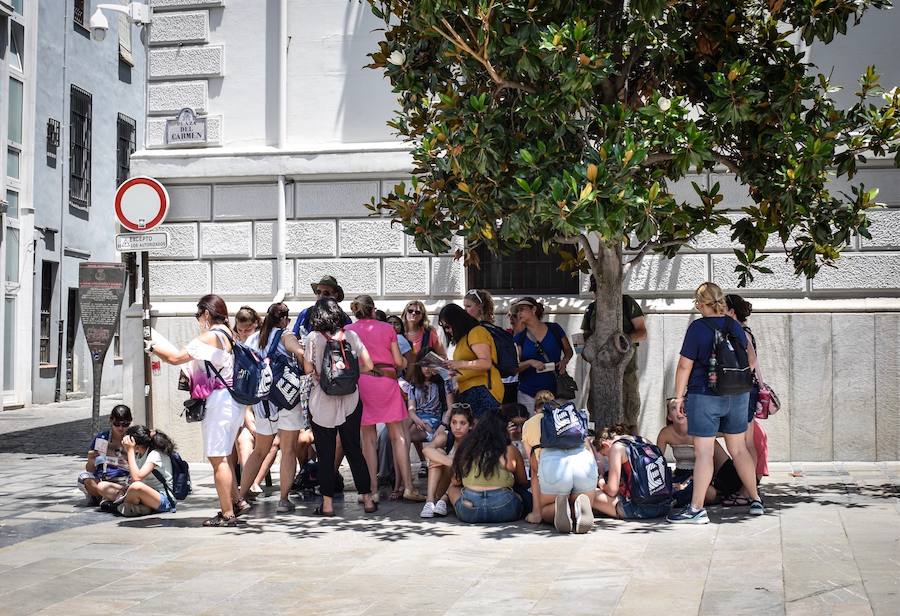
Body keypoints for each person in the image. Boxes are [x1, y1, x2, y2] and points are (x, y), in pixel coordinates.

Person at [147, 294, 249, 526]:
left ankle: (227, 514)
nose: (198, 319)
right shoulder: (229, 334)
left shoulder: (211, 336)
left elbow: (174, 358)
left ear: (205, 313)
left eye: (198, 315)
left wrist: (153, 347)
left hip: (220, 403)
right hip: (234, 403)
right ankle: (237, 502)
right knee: (224, 456)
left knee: (217, 459)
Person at [667, 282, 764, 523]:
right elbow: (751, 358)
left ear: (700, 304)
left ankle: (697, 509)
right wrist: (734, 380)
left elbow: (684, 365)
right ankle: (755, 500)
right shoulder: (734, 325)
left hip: (705, 396)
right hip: (738, 396)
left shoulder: (698, 328)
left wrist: (679, 397)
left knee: (704, 453)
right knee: (739, 449)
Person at [303, 298, 378, 516]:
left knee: (325, 455)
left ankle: (327, 505)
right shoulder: (352, 336)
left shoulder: (313, 338)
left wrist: (321, 375)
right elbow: (369, 365)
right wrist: (350, 375)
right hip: (351, 401)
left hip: (321, 403)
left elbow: (308, 369)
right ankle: (367, 499)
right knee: (354, 449)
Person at [348, 295, 425, 502]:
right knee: (398, 436)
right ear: (373, 309)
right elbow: (400, 362)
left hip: (362, 383)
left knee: (368, 440)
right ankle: (408, 487)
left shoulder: (349, 331)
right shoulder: (387, 329)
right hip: (387, 383)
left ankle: (371, 491)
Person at [243, 302, 308, 513]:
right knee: (288, 450)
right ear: (285, 320)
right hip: (287, 399)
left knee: (259, 451)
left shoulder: (252, 338)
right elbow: (299, 352)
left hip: (262, 403)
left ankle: (241, 495)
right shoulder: (285, 334)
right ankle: (283, 500)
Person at [522, 391, 596, 533]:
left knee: (546, 511)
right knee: (580, 499)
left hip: (554, 467)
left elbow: (533, 463)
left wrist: (536, 512)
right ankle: (578, 508)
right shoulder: (570, 418)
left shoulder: (529, 424)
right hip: (583, 462)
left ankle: (559, 509)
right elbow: (589, 449)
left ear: (535, 407)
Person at [581, 279, 647, 433]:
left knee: (628, 417)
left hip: (625, 371)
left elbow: (642, 332)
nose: (598, 294)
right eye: (596, 290)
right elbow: (585, 338)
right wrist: (585, 350)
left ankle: (633, 451)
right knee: (601, 418)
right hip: (600, 373)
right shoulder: (591, 309)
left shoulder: (626, 303)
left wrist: (623, 341)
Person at [656, 399, 744, 507]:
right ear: (669, 416)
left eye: (683, 407)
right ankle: (680, 498)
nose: (680, 411)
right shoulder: (665, 433)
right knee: (671, 489)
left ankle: (682, 499)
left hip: (703, 472)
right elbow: (658, 460)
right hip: (681, 473)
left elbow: (729, 432)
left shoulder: (700, 428)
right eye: (674, 408)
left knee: (709, 493)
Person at [448, 412, 528, 523]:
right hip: (504, 507)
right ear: (503, 429)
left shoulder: (467, 447)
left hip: (470, 510)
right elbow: (522, 480)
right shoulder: (509, 449)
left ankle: (465, 504)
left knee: (452, 488)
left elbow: (456, 481)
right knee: (520, 495)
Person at [591, 427, 672, 520]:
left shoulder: (616, 448)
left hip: (639, 510)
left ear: (605, 444)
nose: (608, 458)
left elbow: (612, 491)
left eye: (605, 455)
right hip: (665, 506)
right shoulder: (644, 440)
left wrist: (601, 483)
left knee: (589, 492)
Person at [438, 303, 503, 418]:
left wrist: (458, 364)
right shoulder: (463, 338)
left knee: (482, 432)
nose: (447, 331)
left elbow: (486, 363)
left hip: (484, 390)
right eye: (444, 327)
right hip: (469, 391)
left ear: (456, 322)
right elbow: (470, 367)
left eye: (448, 326)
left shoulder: (476, 332)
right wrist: (454, 372)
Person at [512, 297, 574, 412]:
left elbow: (568, 350)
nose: (519, 313)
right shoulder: (519, 337)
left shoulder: (554, 329)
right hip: (529, 393)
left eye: (522, 309)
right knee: (532, 427)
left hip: (556, 391)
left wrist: (564, 361)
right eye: (517, 311)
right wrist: (530, 362)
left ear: (534, 309)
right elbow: (515, 367)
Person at [725, 294, 760, 487]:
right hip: (747, 389)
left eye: (722, 308)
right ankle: (748, 488)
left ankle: (748, 490)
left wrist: (736, 379)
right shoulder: (742, 331)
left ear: (731, 312)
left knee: (745, 443)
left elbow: (752, 361)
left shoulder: (740, 332)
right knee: (746, 441)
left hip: (744, 390)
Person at [420, 403, 474, 518]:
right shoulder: (446, 436)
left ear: (470, 426)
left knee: (463, 461)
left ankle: (444, 500)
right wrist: (452, 462)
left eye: (462, 423)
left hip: (460, 488)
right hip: (443, 484)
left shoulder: (473, 441)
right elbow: (427, 450)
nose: (457, 427)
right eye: (454, 422)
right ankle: (429, 502)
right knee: (438, 452)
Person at [78, 405, 133, 506]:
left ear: (130, 422)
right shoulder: (102, 438)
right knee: (84, 478)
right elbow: (90, 469)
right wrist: (91, 460)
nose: (121, 428)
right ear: (111, 421)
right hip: (104, 479)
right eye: (117, 424)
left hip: (125, 480)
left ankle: (108, 497)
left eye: (125, 424)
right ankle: (111, 497)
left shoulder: (132, 439)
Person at [117, 425, 176, 517]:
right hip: (146, 495)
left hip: (164, 499)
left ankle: (130, 507)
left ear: (135, 444)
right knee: (104, 486)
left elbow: (137, 478)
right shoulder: (138, 455)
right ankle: (139, 508)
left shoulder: (155, 454)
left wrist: (130, 451)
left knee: (136, 487)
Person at [291, 275, 351, 340]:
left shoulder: (344, 318)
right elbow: (294, 337)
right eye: (318, 292)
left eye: (326, 293)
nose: (321, 296)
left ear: (335, 295)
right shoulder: (305, 313)